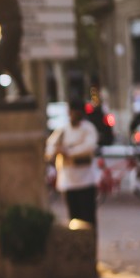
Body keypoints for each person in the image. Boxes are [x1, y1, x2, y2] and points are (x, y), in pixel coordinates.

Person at [45, 98, 99, 235]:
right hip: (68, 181)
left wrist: (68, 151)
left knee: (88, 219)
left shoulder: (88, 129)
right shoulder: (62, 130)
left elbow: (89, 147)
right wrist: (56, 151)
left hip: (86, 181)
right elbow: (50, 147)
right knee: (74, 220)